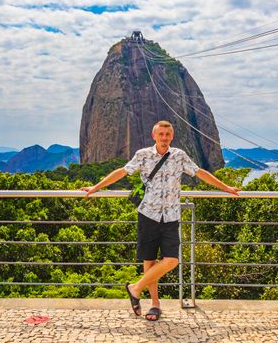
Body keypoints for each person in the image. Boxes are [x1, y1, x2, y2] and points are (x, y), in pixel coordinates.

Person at [81, 120, 240, 321]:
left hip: (171, 216)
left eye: (167, 134)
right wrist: (96, 187)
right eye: (161, 134)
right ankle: (154, 305)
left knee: (171, 260)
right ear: (153, 135)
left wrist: (226, 188)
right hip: (148, 214)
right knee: (150, 261)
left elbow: (200, 173)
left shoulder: (179, 155)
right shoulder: (143, 155)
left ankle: (134, 288)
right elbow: (122, 171)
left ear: (171, 136)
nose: (164, 137)